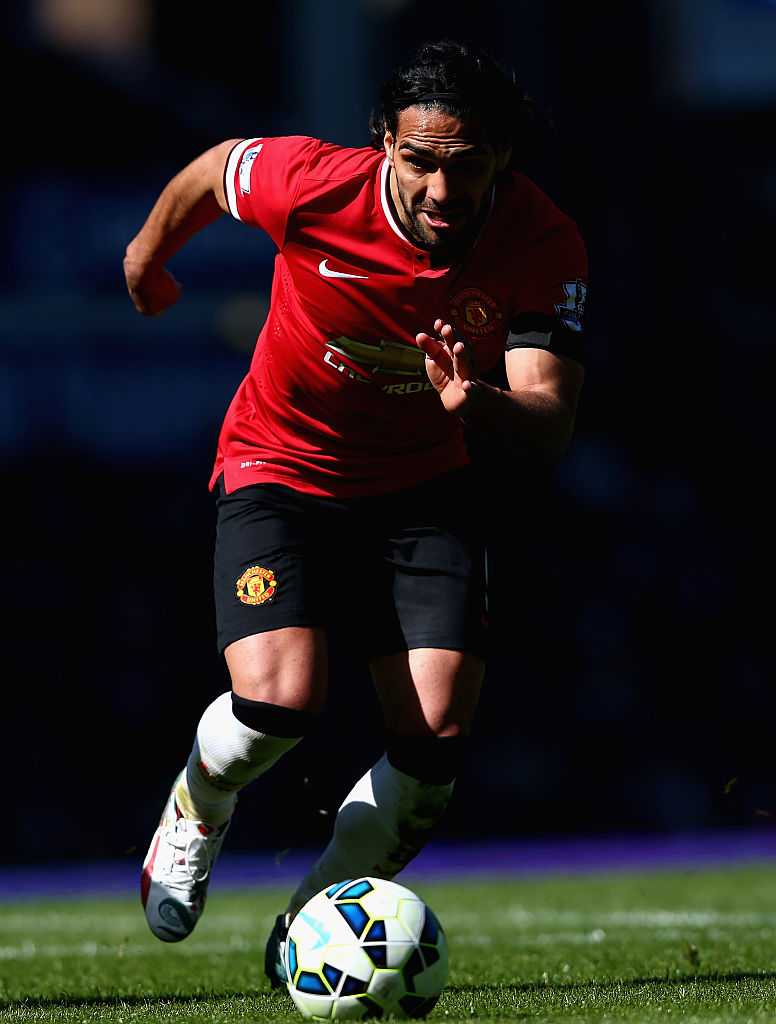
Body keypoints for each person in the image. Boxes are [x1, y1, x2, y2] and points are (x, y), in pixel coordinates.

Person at [123, 37, 587, 986]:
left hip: (423, 484)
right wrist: (147, 254)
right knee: (279, 703)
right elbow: (214, 171)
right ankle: (197, 810)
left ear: (503, 156)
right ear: (384, 143)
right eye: (420, 161)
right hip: (280, 462)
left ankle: (313, 923)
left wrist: (477, 403)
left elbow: (548, 422)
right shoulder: (311, 183)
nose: (442, 190)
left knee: (436, 744)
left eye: (468, 165)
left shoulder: (543, 242)